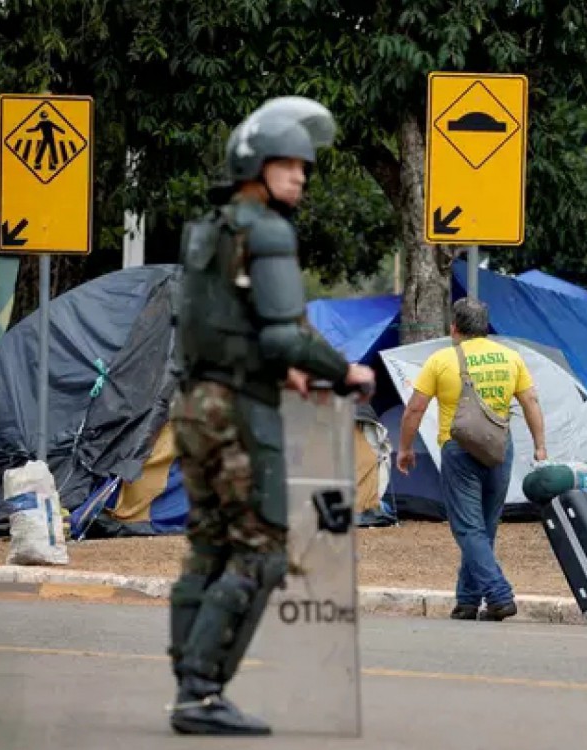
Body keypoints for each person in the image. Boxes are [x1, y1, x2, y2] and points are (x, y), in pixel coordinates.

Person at [166, 96, 375, 736]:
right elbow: (283, 335)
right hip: (237, 413)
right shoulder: (270, 231)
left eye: (304, 168)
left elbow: (224, 324)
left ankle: (189, 685)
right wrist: (346, 371)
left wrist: (278, 363)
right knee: (260, 553)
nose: (301, 178)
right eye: (288, 166)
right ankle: (202, 694)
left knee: (207, 548)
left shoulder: (209, 228)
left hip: (196, 403)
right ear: (255, 166)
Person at [396, 299, 547, 622]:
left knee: (467, 528)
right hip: (499, 449)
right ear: (486, 327)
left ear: (454, 328)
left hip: (458, 449)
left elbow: (415, 409)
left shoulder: (442, 360)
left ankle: (499, 594)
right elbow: (530, 400)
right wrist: (540, 446)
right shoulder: (510, 357)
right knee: (484, 527)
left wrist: (405, 448)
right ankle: (467, 601)